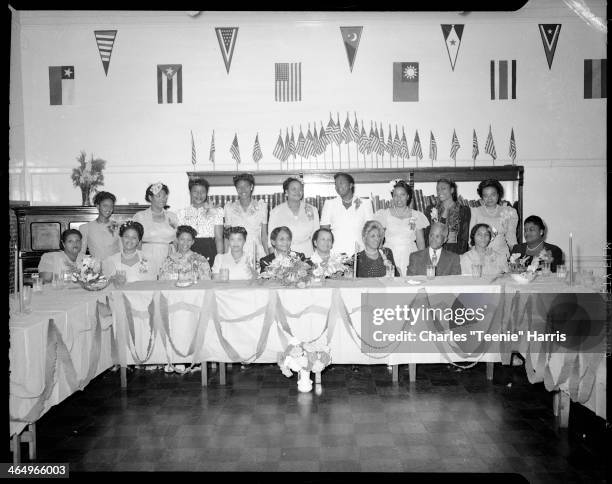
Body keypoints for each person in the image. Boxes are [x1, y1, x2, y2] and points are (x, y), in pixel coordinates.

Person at [374, 179, 429, 276]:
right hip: (389, 255)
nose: (399, 198)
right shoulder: (384, 214)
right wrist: (382, 258)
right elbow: (379, 241)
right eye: (395, 195)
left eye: (402, 195)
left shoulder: (416, 215)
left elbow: (420, 242)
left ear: (408, 196)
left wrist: (422, 261)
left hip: (410, 254)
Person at [132, 182, 178, 279]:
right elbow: (135, 242)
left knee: (167, 287)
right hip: (146, 257)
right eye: (159, 196)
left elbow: (176, 240)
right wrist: (139, 264)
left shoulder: (172, 216)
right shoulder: (140, 216)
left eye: (165, 196)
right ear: (150, 197)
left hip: (169, 257)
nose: (163, 199)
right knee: (147, 286)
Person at [320, 172, 373, 256]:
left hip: (360, 254)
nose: (338, 187)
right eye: (336, 184)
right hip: (336, 256)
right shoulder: (329, 204)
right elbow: (323, 233)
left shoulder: (365, 203)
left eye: (341, 183)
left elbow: (371, 231)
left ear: (350, 185)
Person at [176, 178, 224, 266]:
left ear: (206, 193)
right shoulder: (181, 213)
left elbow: (219, 238)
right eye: (195, 191)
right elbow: (179, 239)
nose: (199, 195)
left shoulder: (216, 211)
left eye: (202, 191)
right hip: (188, 249)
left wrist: (220, 260)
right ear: (190, 192)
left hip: (209, 248)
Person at [268, 177, 319, 257]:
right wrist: (274, 261)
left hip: (307, 254)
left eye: (300, 189)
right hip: (284, 255)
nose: (297, 192)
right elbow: (270, 240)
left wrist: (317, 259)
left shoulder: (312, 210)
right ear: (286, 192)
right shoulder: (276, 212)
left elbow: (316, 237)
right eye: (293, 189)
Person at [224, 173, 270, 261]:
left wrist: (268, 257)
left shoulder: (261, 207)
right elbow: (227, 237)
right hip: (236, 251)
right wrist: (226, 257)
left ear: (251, 187)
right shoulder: (229, 208)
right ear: (236, 189)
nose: (243, 190)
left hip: (256, 251)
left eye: (246, 186)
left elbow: (264, 236)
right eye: (239, 187)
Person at [469, 179, 518, 259]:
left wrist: (516, 257)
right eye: (485, 195)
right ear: (481, 197)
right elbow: (471, 239)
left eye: (493, 194)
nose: (489, 198)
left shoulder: (509, 211)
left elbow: (511, 238)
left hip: (502, 256)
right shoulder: (475, 212)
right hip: (481, 256)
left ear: (498, 194)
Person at [424, 179, 471, 255]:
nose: (439, 192)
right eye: (438, 189)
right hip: (434, 251)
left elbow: (464, 237)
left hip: (454, 251)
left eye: (443, 188)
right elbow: (426, 235)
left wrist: (460, 256)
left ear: (452, 190)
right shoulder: (431, 209)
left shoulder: (463, 210)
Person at [79, 191, 121, 261]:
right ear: (98, 206)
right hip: (95, 268)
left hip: (115, 267)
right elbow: (81, 253)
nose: (108, 209)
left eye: (111, 206)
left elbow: (122, 250)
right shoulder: (86, 228)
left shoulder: (118, 226)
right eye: (105, 206)